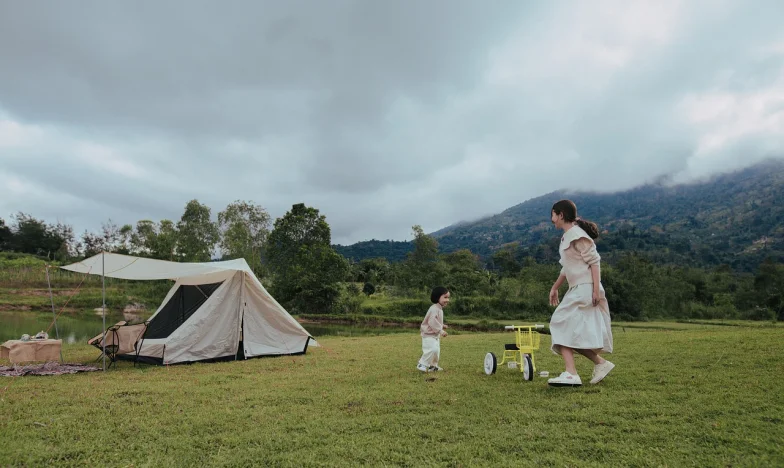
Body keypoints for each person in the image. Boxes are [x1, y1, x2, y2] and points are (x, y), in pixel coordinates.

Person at [547, 200, 614, 386]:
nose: (552, 220)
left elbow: (595, 261)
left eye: (553, 215)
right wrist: (555, 287)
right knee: (572, 333)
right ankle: (600, 363)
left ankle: (571, 373)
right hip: (576, 288)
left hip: (585, 288)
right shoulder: (568, 236)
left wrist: (595, 290)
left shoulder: (577, 235)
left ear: (560, 215)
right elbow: (566, 268)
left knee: (559, 323)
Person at [417, 286, 450, 372]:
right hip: (428, 335)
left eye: (448, 297)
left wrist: (442, 325)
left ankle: (433, 366)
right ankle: (422, 364)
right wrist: (440, 330)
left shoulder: (438, 308)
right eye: (445, 297)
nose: (447, 300)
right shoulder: (434, 308)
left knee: (436, 352)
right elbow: (431, 322)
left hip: (434, 335)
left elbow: (435, 320)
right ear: (437, 297)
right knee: (431, 350)